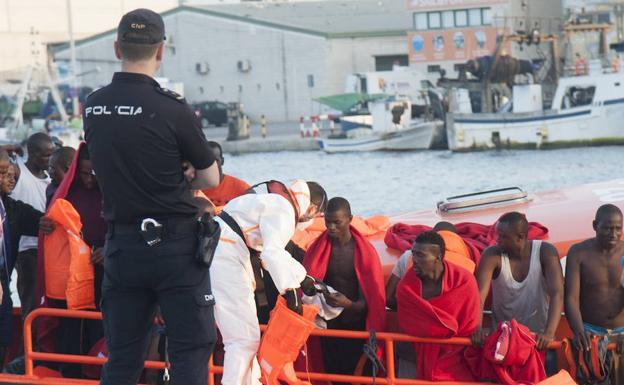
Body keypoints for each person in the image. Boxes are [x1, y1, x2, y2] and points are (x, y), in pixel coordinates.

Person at [83, 8, 220, 385]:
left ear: (116, 48)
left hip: (122, 247)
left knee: (123, 357)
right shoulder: (173, 109)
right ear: (161, 50)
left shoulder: (93, 106)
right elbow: (210, 176)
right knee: (190, 351)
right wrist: (186, 167)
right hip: (175, 247)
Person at [212, 179, 326, 385]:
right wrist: (291, 295)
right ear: (312, 208)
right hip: (226, 257)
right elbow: (272, 254)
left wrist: (303, 279)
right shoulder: (284, 210)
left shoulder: (273, 203)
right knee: (242, 339)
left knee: (247, 337)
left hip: (227, 253)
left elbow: (270, 255)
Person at [37, 144, 108, 378]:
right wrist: (45, 225)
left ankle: (97, 374)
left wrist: (109, 250)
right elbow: (49, 221)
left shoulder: (113, 193)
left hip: (105, 272)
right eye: (84, 174)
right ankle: (70, 375)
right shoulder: (63, 192)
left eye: (94, 174)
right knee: (69, 327)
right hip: (71, 275)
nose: (88, 180)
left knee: (100, 325)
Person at [303, 197, 385, 381]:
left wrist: (348, 305)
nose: (331, 227)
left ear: (350, 219)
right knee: (332, 376)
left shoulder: (365, 253)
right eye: (328, 222)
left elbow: (372, 302)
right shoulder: (317, 250)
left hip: (356, 327)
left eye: (337, 222)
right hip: (329, 327)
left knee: (358, 377)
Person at [472, 212, 564, 352]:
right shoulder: (492, 255)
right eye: (497, 235)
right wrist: (477, 327)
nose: (497, 240)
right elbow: (479, 295)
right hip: (503, 339)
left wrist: (549, 334)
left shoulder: (545, 252)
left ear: (520, 237)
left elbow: (558, 293)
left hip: (537, 340)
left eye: (503, 236)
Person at [396, 231, 480, 381]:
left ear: (438, 257)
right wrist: (443, 329)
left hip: (456, 356)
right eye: (413, 254)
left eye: (421, 255)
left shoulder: (464, 281)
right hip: (414, 353)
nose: (414, 260)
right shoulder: (406, 287)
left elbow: (470, 326)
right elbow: (409, 324)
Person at [0, 148, 53, 368]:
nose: (10, 179)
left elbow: (43, 222)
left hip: (3, 287)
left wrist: (51, 222)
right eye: (3, 173)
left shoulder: (11, 209)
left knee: (4, 337)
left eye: (11, 174)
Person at [565, 204, 624, 384]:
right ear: (594, 225)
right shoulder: (578, 253)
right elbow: (571, 297)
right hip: (590, 332)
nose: (613, 234)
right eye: (607, 228)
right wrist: (578, 331)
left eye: (618, 229)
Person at [10, 132, 53, 319]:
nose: (49, 159)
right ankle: (28, 346)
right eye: (45, 155)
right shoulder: (18, 171)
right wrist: (9, 148)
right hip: (27, 250)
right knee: (31, 302)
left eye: (52, 154)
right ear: (32, 152)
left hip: (48, 248)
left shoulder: (51, 178)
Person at [386, 221, 475, 310]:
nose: (415, 260)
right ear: (457, 239)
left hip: (415, 318)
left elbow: (387, 297)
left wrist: (414, 310)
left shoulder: (407, 256)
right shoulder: (469, 265)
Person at [201, 141, 250, 207]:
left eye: (216, 161)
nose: (211, 165)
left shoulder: (243, 189)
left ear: (222, 161)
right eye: (207, 160)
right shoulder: (193, 189)